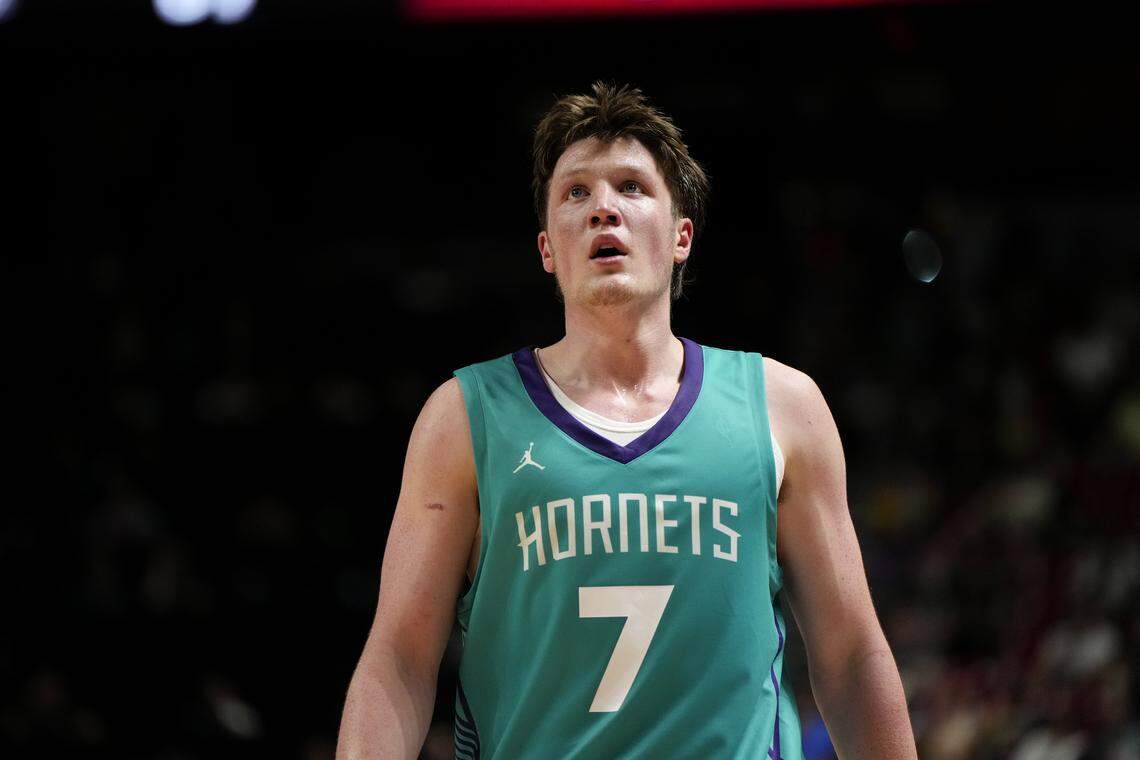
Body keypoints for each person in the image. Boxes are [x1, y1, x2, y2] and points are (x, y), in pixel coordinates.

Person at [336, 81, 917, 759]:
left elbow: (849, 659)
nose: (603, 208)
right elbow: (401, 661)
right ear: (548, 248)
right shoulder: (464, 417)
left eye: (631, 187)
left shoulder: (782, 407)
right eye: (575, 192)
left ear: (681, 237)